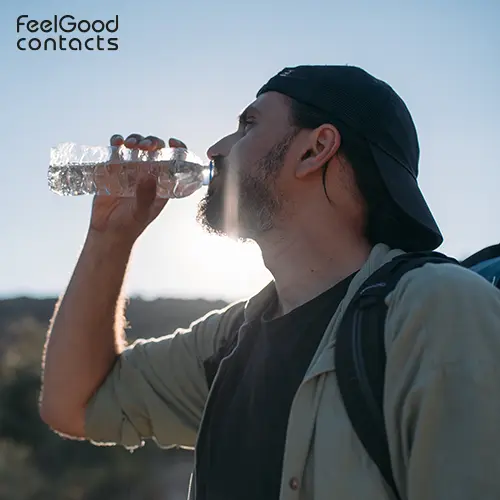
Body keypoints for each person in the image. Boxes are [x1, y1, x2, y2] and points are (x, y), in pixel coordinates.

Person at [40, 65, 500, 500]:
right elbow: (74, 403)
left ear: (315, 149)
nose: (217, 148)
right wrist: (109, 238)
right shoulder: (230, 341)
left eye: (248, 126)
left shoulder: (434, 309)